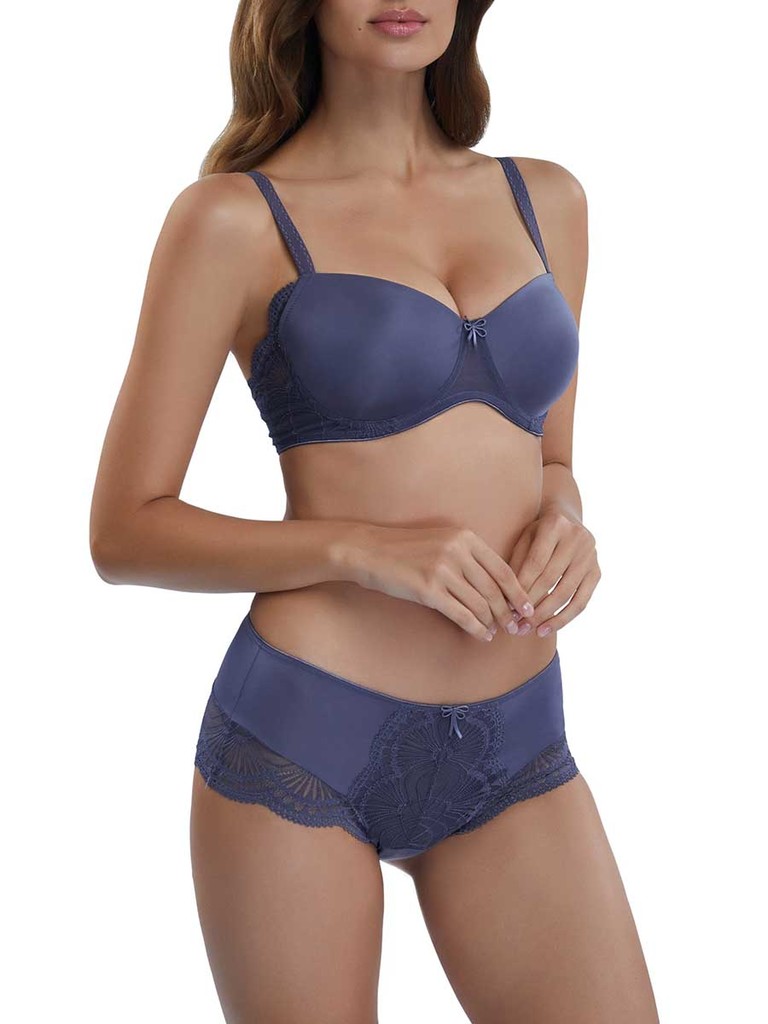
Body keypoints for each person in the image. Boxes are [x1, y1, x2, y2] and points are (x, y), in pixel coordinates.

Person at [90, 2, 659, 1020]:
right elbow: (124, 528)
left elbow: (550, 455)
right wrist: (361, 548)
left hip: (517, 741)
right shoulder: (231, 220)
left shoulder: (548, 200)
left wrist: (568, 520)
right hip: (305, 737)